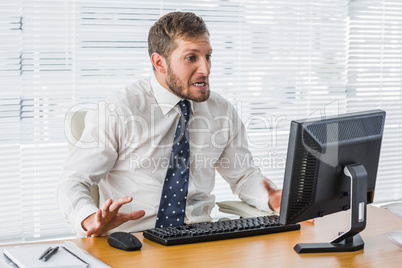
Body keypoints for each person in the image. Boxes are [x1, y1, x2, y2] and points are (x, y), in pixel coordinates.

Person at [57, 11, 282, 237]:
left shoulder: (221, 111)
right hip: (134, 241)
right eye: (191, 57)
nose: (205, 69)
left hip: (200, 237)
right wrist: (88, 218)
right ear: (159, 62)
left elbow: (243, 176)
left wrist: (273, 198)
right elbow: (74, 181)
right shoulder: (119, 110)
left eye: (208, 56)